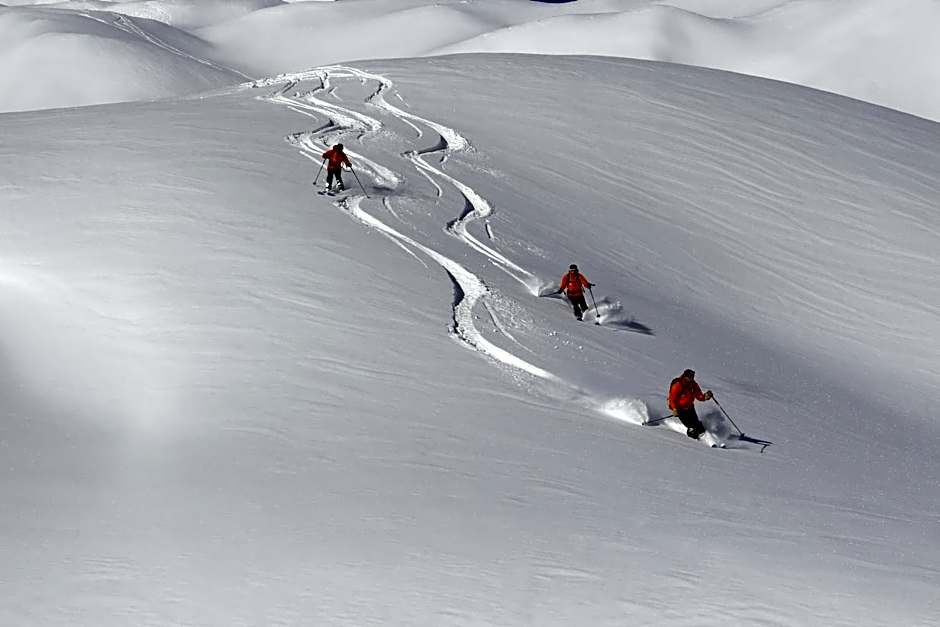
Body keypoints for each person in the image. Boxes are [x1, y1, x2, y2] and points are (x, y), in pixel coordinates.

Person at [668, 369, 713, 439]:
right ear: (685, 376)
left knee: (698, 425)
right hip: (680, 409)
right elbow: (672, 399)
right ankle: (694, 441)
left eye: (692, 377)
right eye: (689, 377)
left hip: (690, 407)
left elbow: (699, 396)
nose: (691, 379)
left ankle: (707, 437)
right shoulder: (677, 385)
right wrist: (674, 409)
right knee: (691, 426)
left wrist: (705, 396)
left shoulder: (693, 384)